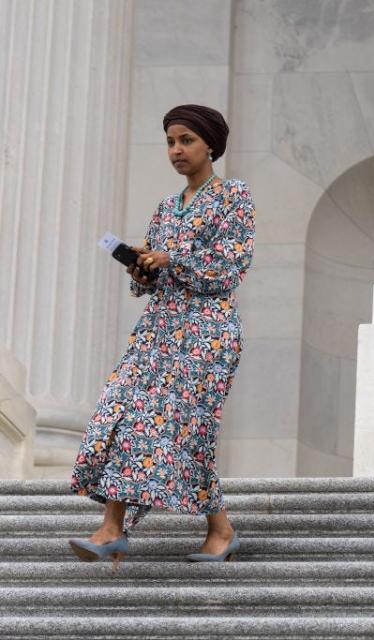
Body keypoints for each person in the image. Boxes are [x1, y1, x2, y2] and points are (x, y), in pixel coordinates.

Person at [68, 104, 256, 566]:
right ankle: (111, 529)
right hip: (159, 329)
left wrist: (174, 260)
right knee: (121, 409)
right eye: (170, 141)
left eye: (186, 140)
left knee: (185, 429)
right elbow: (148, 283)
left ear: (210, 143)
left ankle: (219, 529)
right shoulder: (166, 208)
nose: (176, 150)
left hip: (207, 333)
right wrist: (143, 267)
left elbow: (231, 268)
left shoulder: (233, 196)